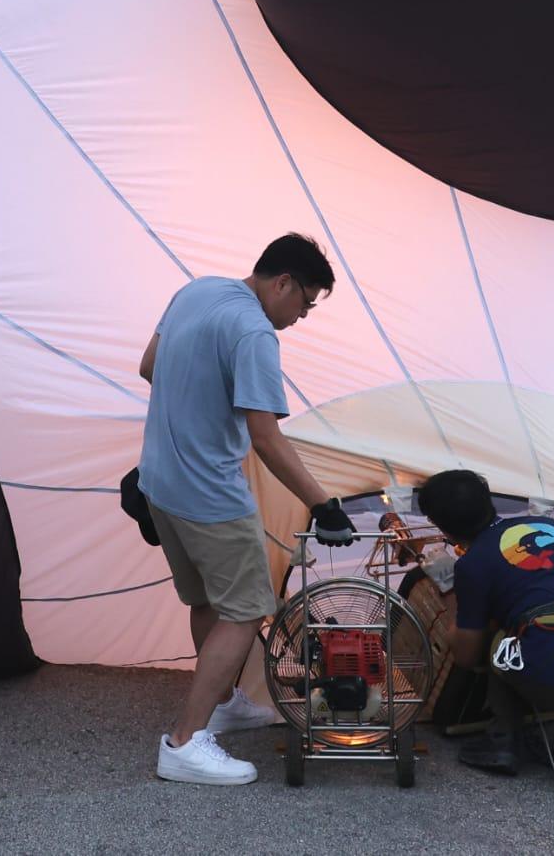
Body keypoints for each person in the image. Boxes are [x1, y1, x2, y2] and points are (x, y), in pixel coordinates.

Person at [138, 233, 357, 786]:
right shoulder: (255, 332)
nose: (300, 317)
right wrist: (323, 504)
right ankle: (185, 742)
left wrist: (190, 415)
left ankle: (222, 703)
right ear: (283, 283)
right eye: (305, 304)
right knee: (244, 610)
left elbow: (149, 366)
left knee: (207, 600)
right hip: (210, 495)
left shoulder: (197, 290)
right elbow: (266, 437)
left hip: (159, 482)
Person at [415, 469, 554, 799]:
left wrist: (449, 589)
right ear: (488, 500)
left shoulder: (474, 563)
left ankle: (503, 742)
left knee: (501, 642)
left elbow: (465, 653)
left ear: (442, 527)